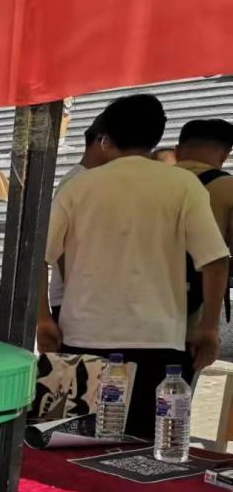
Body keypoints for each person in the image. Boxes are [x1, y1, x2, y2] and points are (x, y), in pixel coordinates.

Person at [39, 93, 230, 438]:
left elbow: (39, 259)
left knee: (75, 446)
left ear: (106, 136)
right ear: (157, 136)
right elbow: (215, 260)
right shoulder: (182, 185)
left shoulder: (78, 186)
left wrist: (42, 317)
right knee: (146, 451)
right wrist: (208, 326)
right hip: (158, 342)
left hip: (83, 337)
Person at [49, 116, 110, 322]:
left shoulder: (92, 180)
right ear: (102, 142)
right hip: (74, 300)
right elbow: (61, 245)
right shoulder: (77, 181)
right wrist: (74, 290)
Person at [175, 118, 233, 323]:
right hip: (197, 295)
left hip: (142, 293)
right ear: (225, 154)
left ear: (177, 150)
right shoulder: (227, 186)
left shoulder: (150, 182)